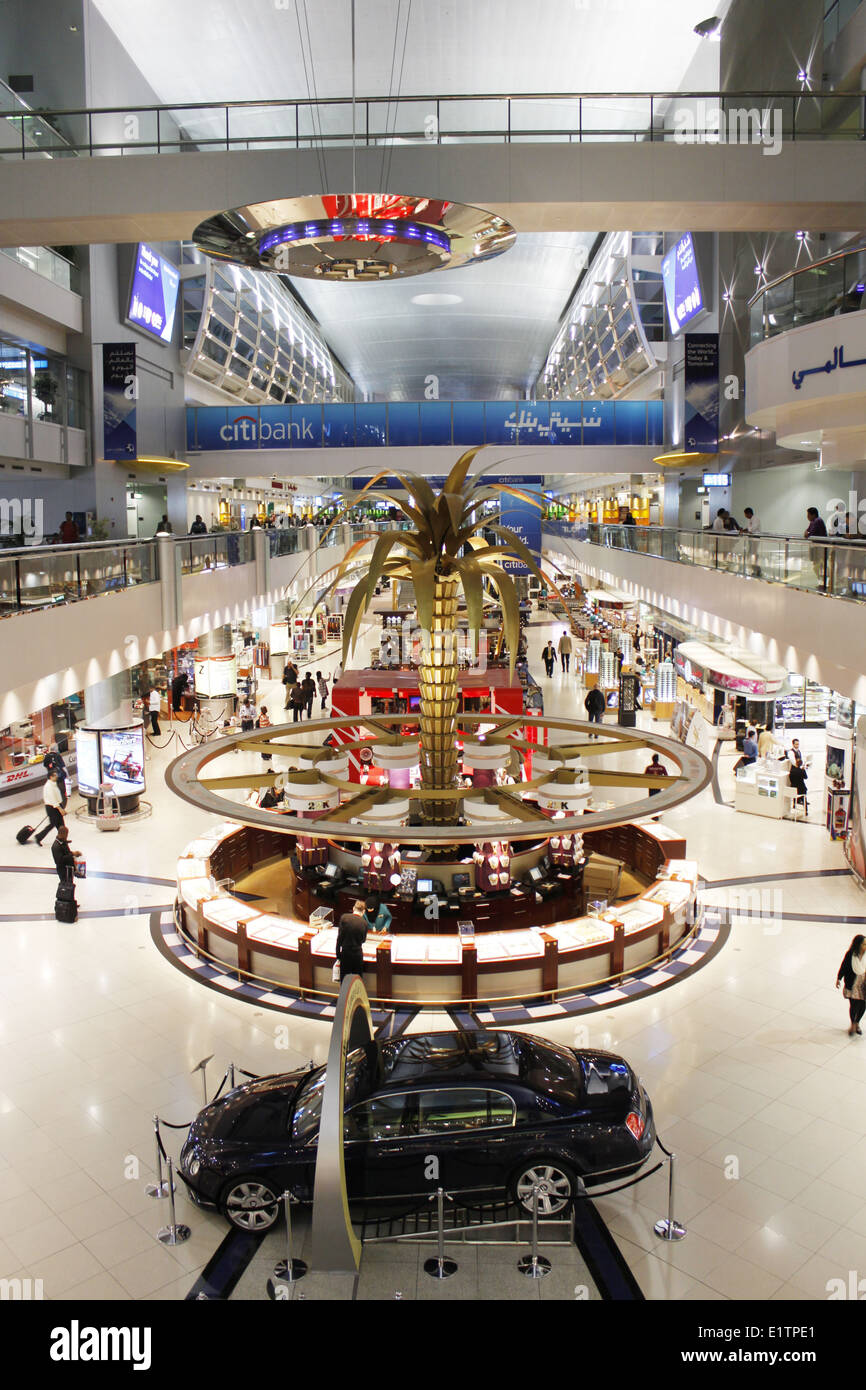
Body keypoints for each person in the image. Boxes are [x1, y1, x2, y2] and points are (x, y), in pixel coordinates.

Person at [836, 934, 866, 1036]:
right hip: (852, 985)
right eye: (864, 944)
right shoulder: (850, 955)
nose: (865, 946)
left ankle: (857, 1022)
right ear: (858, 945)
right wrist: (839, 978)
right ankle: (853, 1023)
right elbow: (844, 966)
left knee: (863, 1005)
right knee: (854, 1005)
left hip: (864, 985)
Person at [335, 900, 367, 982]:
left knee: (345, 982)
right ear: (363, 911)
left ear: (353, 908)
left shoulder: (344, 917)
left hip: (345, 954)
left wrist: (338, 955)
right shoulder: (364, 923)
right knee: (357, 982)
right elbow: (363, 940)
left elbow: (339, 938)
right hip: (357, 955)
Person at [35, 769, 65, 845]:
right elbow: (53, 799)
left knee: (61, 824)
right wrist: (60, 809)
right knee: (53, 824)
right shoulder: (48, 786)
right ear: (51, 777)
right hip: (52, 808)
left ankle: (62, 839)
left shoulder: (53, 784)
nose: (57, 776)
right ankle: (38, 837)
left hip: (56, 805)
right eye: (55, 775)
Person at [42, 743, 68, 808]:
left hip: (52, 777)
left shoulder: (47, 756)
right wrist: (67, 775)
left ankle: (56, 806)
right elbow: (63, 767)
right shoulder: (58, 755)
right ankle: (63, 807)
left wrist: (49, 772)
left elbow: (45, 766)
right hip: (60, 777)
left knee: (53, 792)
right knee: (62, 792)